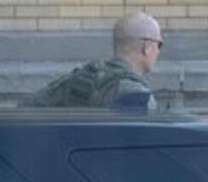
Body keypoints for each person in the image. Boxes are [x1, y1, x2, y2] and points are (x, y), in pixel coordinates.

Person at [26, 11, 162, 109]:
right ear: (147, 47)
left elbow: (29, 105)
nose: (158, 51)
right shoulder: (139, 97)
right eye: (159, 45)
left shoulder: (85, 77)